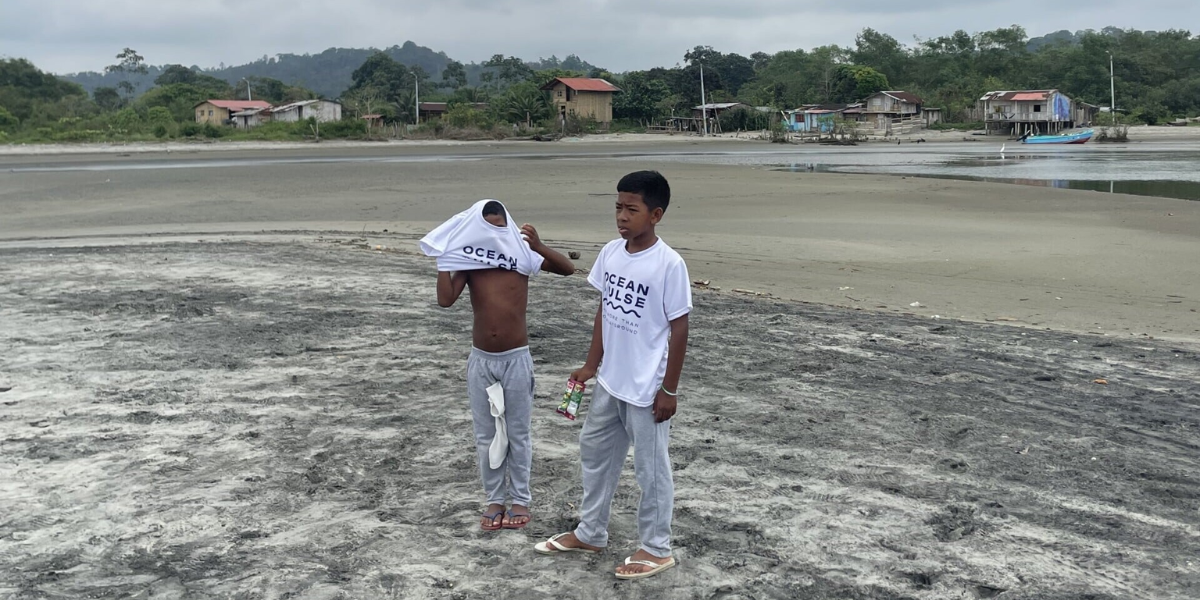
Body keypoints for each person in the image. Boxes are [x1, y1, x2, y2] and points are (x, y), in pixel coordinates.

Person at [533, 171, 691, 580]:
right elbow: (606, 310)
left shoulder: (669, 264)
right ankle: (590, 531)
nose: (622, 217)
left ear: (655, 214)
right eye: (618, 208)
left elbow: (679, 328)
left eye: (631, 209)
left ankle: (657, 548)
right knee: (596, 455)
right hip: (610, 381)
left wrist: (668, 389)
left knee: (651, 470)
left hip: (646, 389)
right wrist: (591, 365)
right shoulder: (611, 253)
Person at [421, 199, 575, 531]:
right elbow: (445, 300)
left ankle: (520, 499)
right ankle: (494, 498)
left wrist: (539, 246)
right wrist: (443, 260)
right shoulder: (470, 258)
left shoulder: (521, 254)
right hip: (482, 360)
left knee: (518, 433)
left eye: (498, 227)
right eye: (486, 227)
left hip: (516, 359)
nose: (493, 234)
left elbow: (568, 269)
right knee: (486, 434)